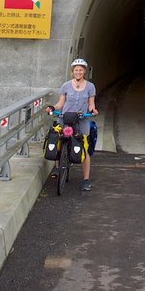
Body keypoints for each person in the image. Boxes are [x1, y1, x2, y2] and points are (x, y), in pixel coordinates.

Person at [50, 57, 98, 191]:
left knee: (84, 147)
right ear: (73, 71)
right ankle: (58, 166)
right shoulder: (65, 85)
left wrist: (92, 110)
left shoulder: (90, 86)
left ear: (84, 72)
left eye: (81, 70)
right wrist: (53, 108)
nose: (78, 72)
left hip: (81, 119)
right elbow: (60, 103)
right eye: (76, 70)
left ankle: (86, 179)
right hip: (65, 118)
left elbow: (91, 103)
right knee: (58, 140)